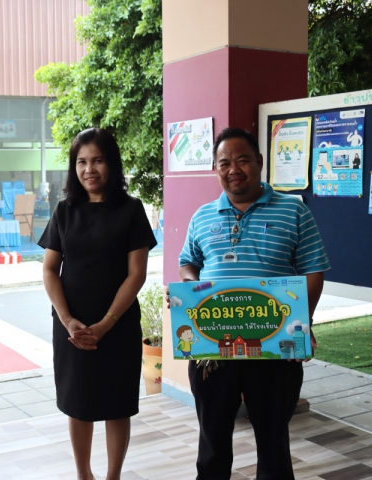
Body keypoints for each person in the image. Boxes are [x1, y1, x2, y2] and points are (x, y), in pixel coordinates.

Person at [178, 128, 330, 479]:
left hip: (275, 346)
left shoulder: (294, 210)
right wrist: (192, 289)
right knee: (212, 443)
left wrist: (302, 323)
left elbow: (313, 270)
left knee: (274, 443)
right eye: (224, 163)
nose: (234, 169)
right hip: (213, 348)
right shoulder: (202, 216)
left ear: (259, 162)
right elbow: (188, 262)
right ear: (216, 169)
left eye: (243, 160)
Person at [38, 128, 156, 480]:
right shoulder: (64, 210)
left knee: (117, 404)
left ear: (112, 164)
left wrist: (105, 324)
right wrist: (67, 320)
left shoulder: (131, 210)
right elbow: (49, 269)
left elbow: (136, 274)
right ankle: (84, 475)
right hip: (72, 326)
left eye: (98, 161)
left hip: (117, 324)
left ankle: (112, 476)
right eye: (82, 162)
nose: (89, 169)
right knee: (78, 403)